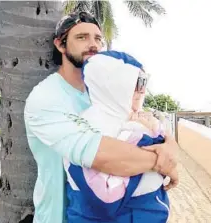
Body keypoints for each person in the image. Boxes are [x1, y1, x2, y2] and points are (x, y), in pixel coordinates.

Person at [24, 11, 179, 223]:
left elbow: (145, 122)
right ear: (60, 45)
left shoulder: (105, 93)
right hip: (59, 216)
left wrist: (170, 146)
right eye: (82, 37)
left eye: (98, 38)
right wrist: (164, 162)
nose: (93, 44)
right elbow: (100, 155)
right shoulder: (46, 97)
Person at [64, 50, 175, 222]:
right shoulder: (82, 127)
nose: (142, 90)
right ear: (114, 84)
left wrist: (167, 146)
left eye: (144, 82)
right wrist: (143, 136)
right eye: (137, 82)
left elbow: (167, 143)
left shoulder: (133, 117)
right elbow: (105, 198)